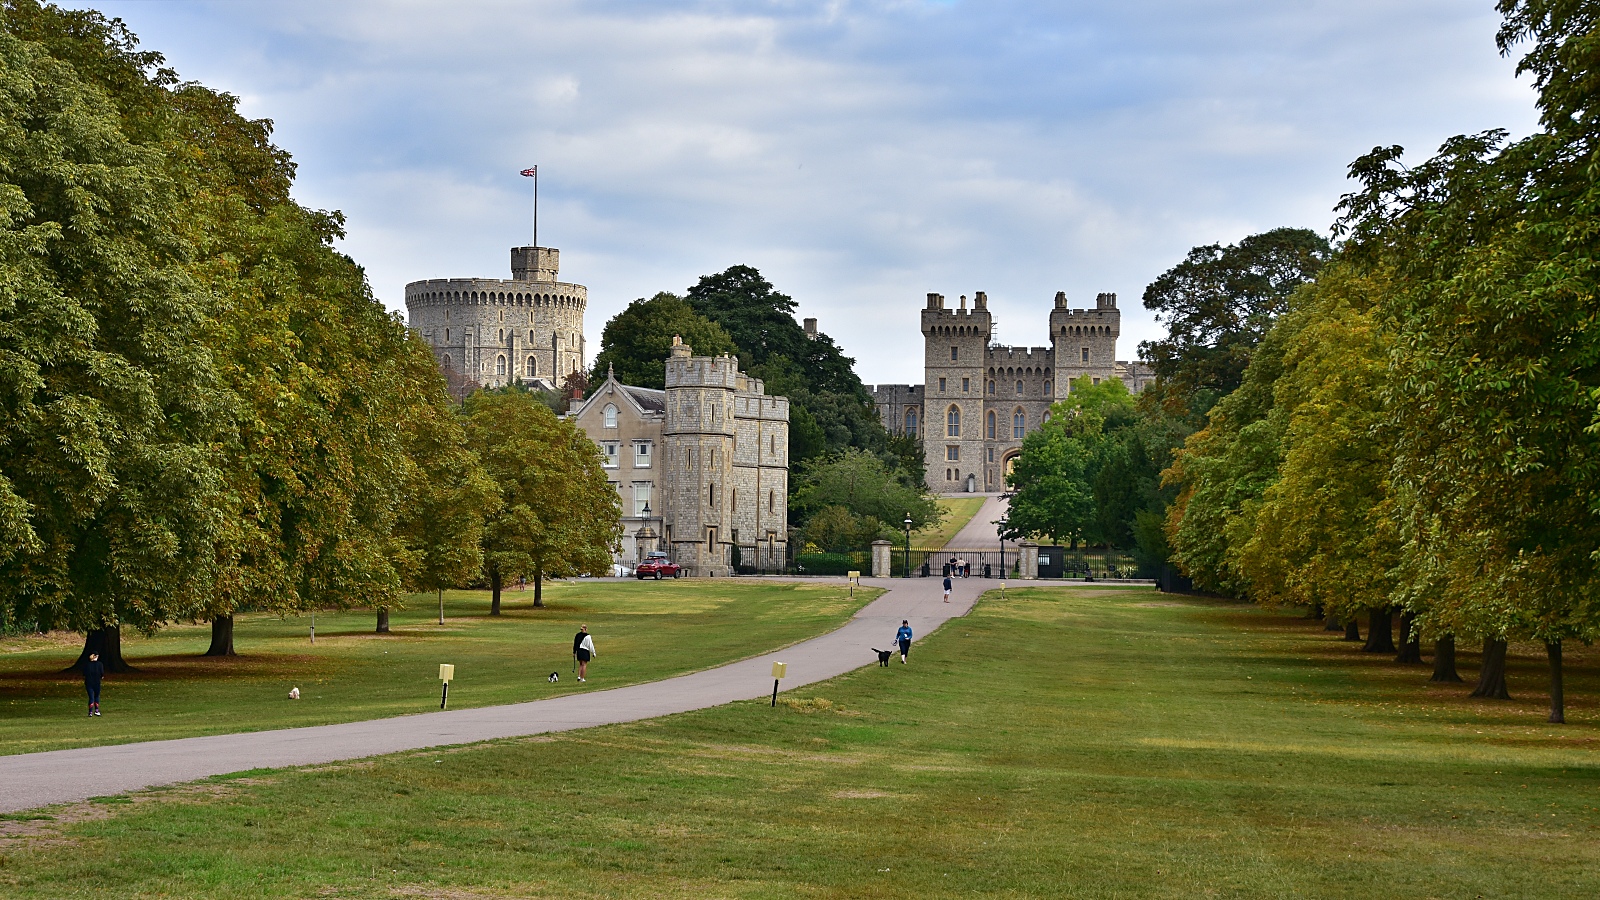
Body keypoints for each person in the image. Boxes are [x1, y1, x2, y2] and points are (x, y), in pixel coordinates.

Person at [82, 652, 103, 717]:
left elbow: (84, 673)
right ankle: (96, 710)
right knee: (96, 696)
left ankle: (90, 712)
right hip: (96, 682)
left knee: (91, 697)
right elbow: (102, 674)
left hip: (89, 683)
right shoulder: (99, 664)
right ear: (96, 656)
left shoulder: (87, 664)